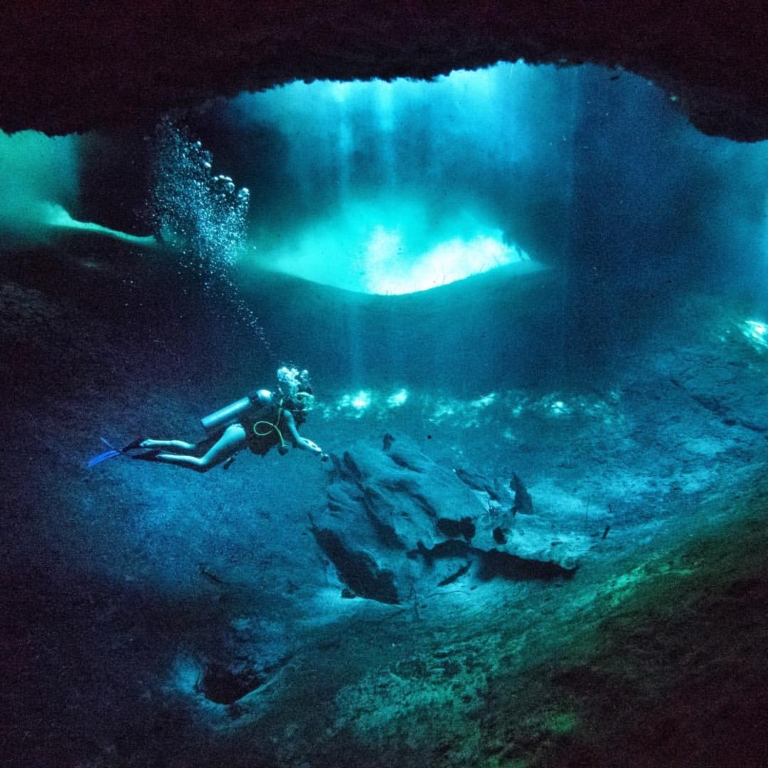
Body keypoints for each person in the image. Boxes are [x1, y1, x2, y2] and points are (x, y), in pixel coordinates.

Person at [127, 368, 324, 472]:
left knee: (193, 449)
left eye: (308, 401)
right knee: (202, 464)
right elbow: (298, 441)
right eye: (303, 399)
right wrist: (315, 452)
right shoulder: (286, 414)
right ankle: (156, 456)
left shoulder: (282, 413)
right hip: (241, 434)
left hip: (237, 431)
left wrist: (313, 446)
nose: (305, 405)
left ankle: (147, 442)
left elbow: (293, 438)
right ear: (294, 397)